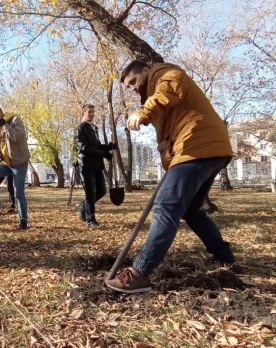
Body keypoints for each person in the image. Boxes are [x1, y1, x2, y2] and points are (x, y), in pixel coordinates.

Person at [104, 61, 236, 294]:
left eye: (133, 82)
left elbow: (170, 89)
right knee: (191, 211)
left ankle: (139, 274)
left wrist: (143, 112)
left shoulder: (164, 74)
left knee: (166, 207)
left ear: (145, 71)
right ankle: (225, 259)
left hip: (197, 146)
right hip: (207, 148)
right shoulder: (154, 90)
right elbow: (169, 135)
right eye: (127, 87)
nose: (132, 88)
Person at [74, 104, 116, 229]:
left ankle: (83, 205)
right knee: (90, 194)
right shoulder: (80, 129)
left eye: (93, 111)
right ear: (83, 113)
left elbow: (96, 146)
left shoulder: (94, 128)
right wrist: (103, 153)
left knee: (102, 190)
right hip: (86, 165)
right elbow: (84, 148)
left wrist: (108, 147)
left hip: (97, 165)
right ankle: (90, 220)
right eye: (89, 112)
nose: (92, 114)